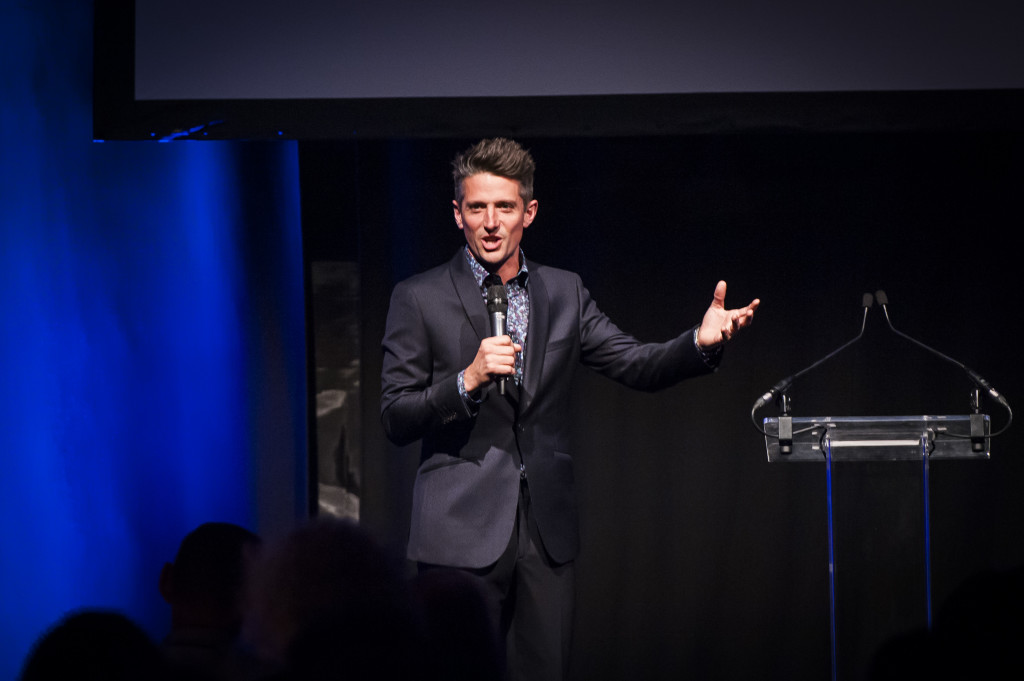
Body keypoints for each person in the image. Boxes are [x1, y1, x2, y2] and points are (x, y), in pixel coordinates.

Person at [380, 137, 759, 681]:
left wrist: (700, 343)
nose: (491, 223)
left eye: (504, 207)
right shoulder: (418, 297)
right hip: (457, 534)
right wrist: (465, 380)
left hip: (545, 534)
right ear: (457, 213)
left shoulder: (564, 292)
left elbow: (636, 364)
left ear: (528, 213)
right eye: (477, 207)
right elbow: (395, 415)